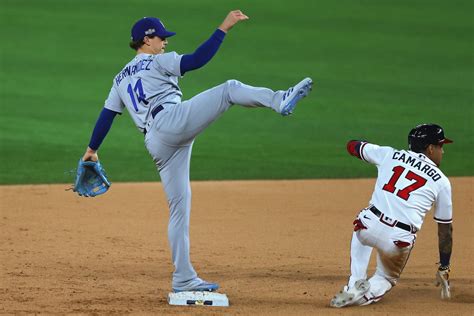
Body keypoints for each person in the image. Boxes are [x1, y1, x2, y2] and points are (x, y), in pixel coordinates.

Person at [80, 10, 313, 292]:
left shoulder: (120, 78)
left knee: (179, 209)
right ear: (146, 39)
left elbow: (107, 115)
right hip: (170, 122)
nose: (164, 42)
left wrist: (92, 150)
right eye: (161, 37)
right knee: (230, 89)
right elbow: (197, 60)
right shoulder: (157, 61)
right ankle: (279, 100)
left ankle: (183, 278)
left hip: (156, 142)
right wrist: (223, 28)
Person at [330, 123, 453, 307]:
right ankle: (363, 295)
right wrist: (444, 266)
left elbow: (353, 146)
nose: (442, 151)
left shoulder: (389, 154)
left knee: (361, 228)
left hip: (369, 225)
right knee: (385, 278)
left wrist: (360, 146)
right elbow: (445, 232)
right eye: (440, 146)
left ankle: (354, 282)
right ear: (430, 148)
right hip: (397, 240)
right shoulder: (442, 182)